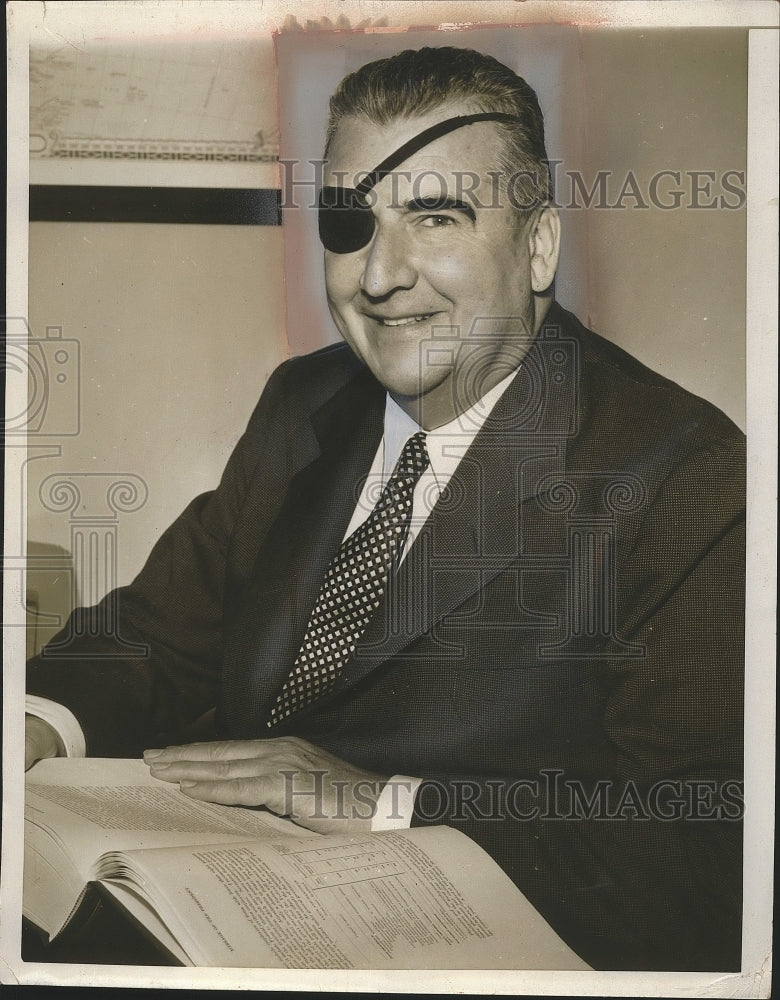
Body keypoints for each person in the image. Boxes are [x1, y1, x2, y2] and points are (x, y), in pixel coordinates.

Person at [25, 46, 744, 972]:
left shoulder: (684, 473)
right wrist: (34, 724)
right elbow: (154, 634)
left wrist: (386, 804)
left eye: (435, 216)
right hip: (199, 902)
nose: (379, 276)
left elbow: (695, 853)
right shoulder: (306, 402)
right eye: (352, 222)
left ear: (538, 247)